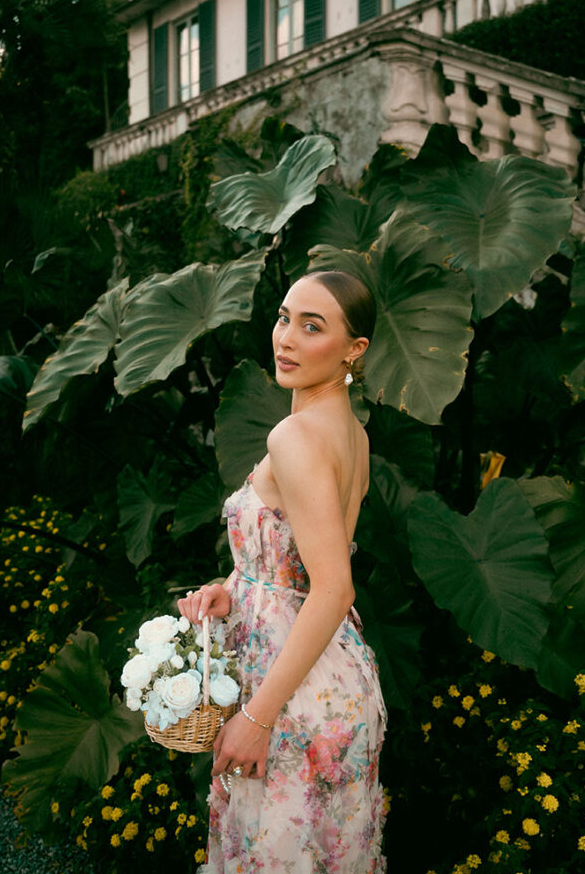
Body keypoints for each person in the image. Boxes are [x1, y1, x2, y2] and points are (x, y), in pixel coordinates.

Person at [178, 269, 387, 873]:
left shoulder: (295, 436)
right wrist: (234, 585)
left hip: (290, 696)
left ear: (355, 350)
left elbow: (333, 586)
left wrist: (254, 718)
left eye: (312, 326)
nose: (287, 338)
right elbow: (301, 562)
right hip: (335, 677)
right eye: (283, 317)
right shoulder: (353, 434)